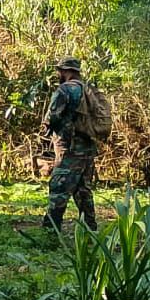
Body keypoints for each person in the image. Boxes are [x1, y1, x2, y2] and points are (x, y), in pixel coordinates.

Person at [41, 57, 97, 232]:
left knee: (59, 186)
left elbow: (52, 117)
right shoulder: (88, 90)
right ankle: (90, 229)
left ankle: (51, 229)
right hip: (88, 147)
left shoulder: (64, 90)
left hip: (69, 147)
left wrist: (46, 131)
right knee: (83, 189)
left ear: (66, 71)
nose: (58, 74)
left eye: (60, 71)